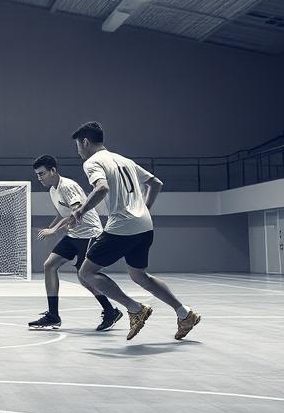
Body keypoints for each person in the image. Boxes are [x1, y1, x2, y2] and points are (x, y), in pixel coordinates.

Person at [69, 121, 201, 341]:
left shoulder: (93, 162)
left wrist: (80, 211)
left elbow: (101, 188)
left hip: (122, 226)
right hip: (144, 226)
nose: (78, 151)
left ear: (85, 141)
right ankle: (184, 313)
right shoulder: (124, 160)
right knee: (139, 275)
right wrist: (144, 209)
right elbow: (156, 183)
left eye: (78, 146)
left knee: (86, 273)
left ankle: (134, 309)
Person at [28, 154, 122, 332]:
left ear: (53, 171)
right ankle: (53, 316)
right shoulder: (52, 190)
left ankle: (110, 311)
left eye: (42, 174)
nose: (39, 178)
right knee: (49, 265)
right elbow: (62, 213)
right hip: (73, 235)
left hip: (89, 234)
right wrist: (52, 226)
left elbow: (76, 214)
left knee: (84, 276)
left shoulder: (68, 186)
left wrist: (54, 230)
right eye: (37, 174)